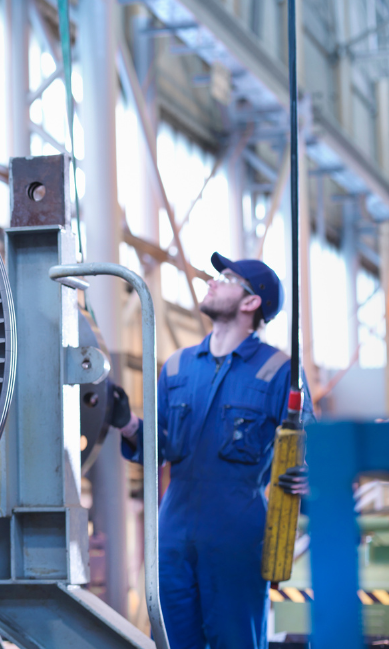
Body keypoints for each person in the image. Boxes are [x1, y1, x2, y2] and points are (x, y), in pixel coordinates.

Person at [111, 253, 314, 649]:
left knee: (236, 641)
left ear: (251, 302)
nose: (213, 281)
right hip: (172, 535)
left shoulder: (280, 372)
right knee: (170, 641)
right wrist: (126, 422)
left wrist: (312, 480)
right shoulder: (177, 367)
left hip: (237, 536)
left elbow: (314, 448)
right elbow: (160, 447)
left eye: (227, 278)